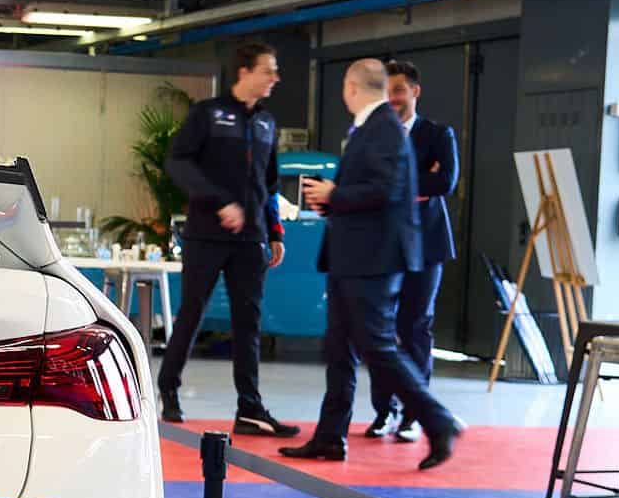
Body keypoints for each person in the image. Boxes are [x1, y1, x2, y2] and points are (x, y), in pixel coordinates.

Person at [280, 59, 463, 471]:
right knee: (339, 348)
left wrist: (336, 194)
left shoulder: (382, 128)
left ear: (351, 87)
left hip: (371, 258)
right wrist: (333, 203)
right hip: (353, 254)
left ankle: (438, 420)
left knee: (377, 345)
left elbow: (387, 188)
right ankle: (330, 436)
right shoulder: (370, 127)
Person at [155, 41, 300, 438]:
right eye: (268, 70)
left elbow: (269, 184)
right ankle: (168, 389)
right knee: (192, 313)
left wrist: (275, 231)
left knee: (248, 322)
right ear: (244, 72)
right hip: (206, 235)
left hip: (251, 239)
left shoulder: (267, 122)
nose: (275, 78)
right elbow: (177, 162)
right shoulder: (208, 114)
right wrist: (218, 202)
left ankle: (249, 408)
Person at [365, 59, 458, 442]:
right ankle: (384, 411)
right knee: (380, 329)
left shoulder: (438, 134)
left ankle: (414, 415)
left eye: (399, 91)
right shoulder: (372, 135)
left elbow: (445, 181)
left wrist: (396, 186)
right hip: (382, 245)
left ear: (415, 92)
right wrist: (417, 183)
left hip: (427, 245)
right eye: (386, 92)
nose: (393, 98)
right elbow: (368, 184)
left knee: (416, 326)